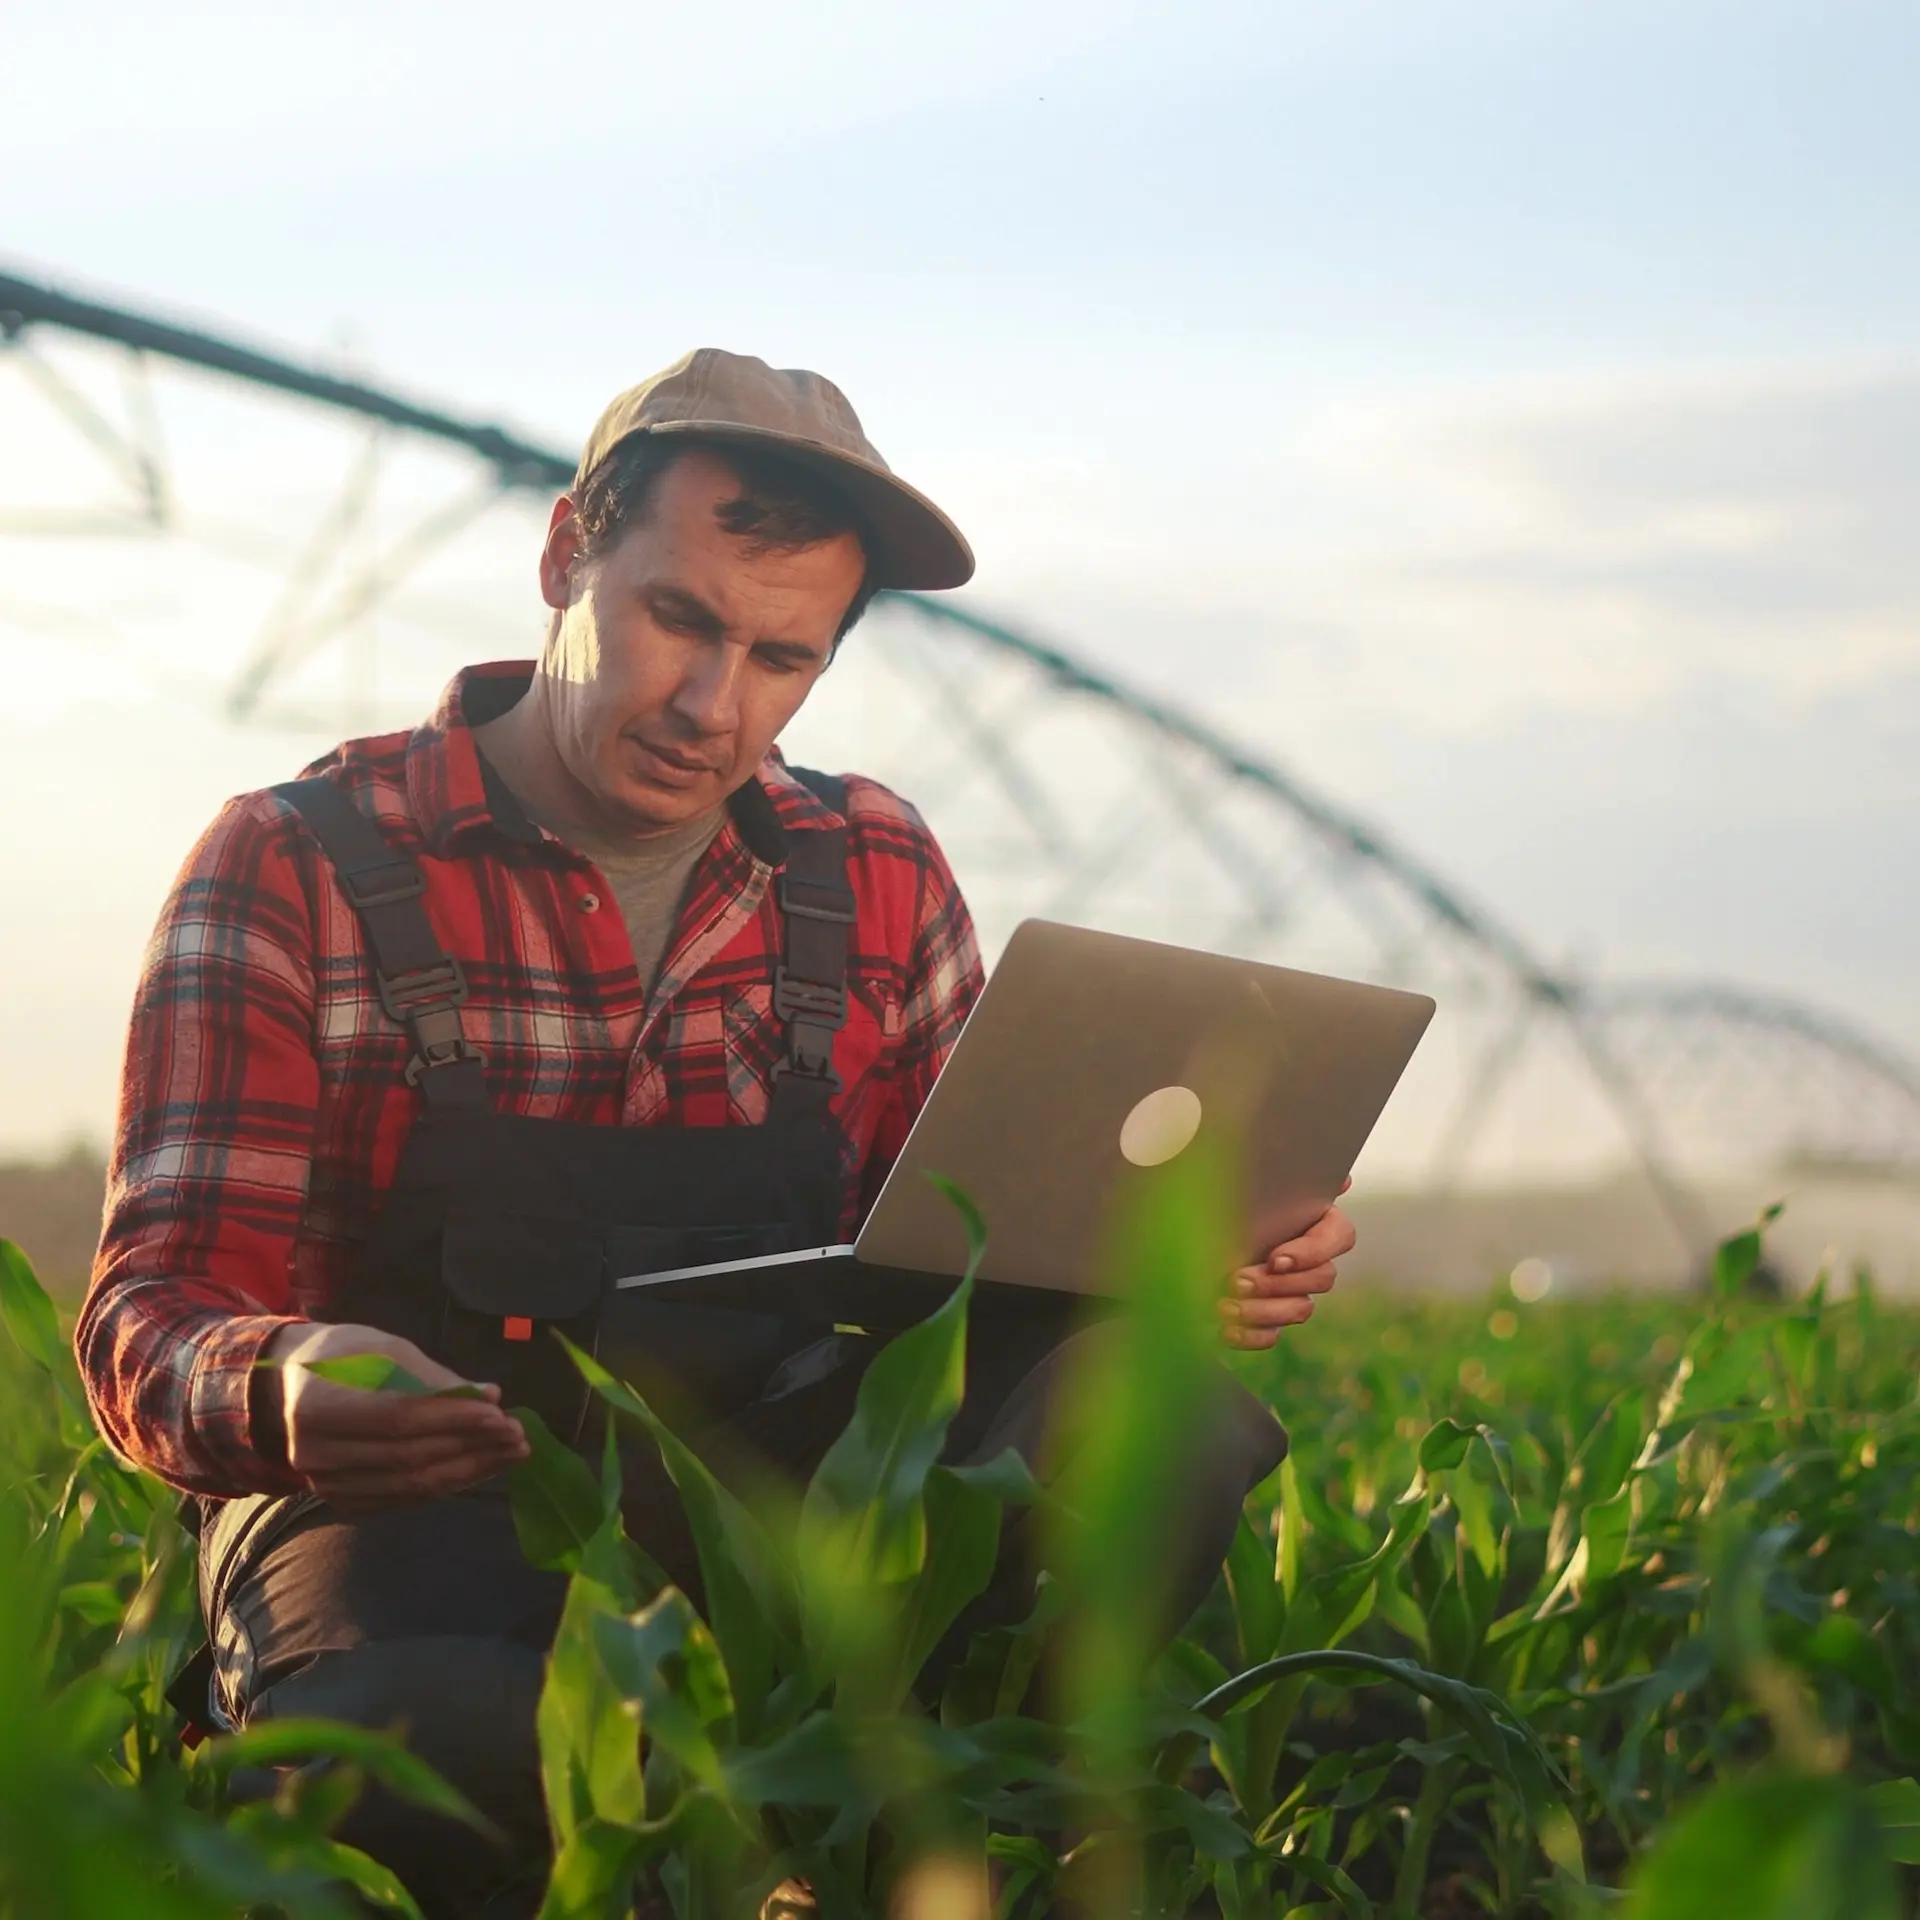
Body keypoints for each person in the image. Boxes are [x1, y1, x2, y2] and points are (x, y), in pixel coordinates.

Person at [77, 350, 1357, 1918]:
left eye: (779, 660)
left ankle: (901, 1837)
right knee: (436, 1753)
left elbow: (965, 1275)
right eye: (675, 620)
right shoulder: (300, 865)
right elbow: (156, 1312)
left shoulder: (872, 867)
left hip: (763, 1483)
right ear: (565, 555)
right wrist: (282, 1386)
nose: (711, 706)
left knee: (1157, 1415)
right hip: (414, 1513)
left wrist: (1163, 1268)